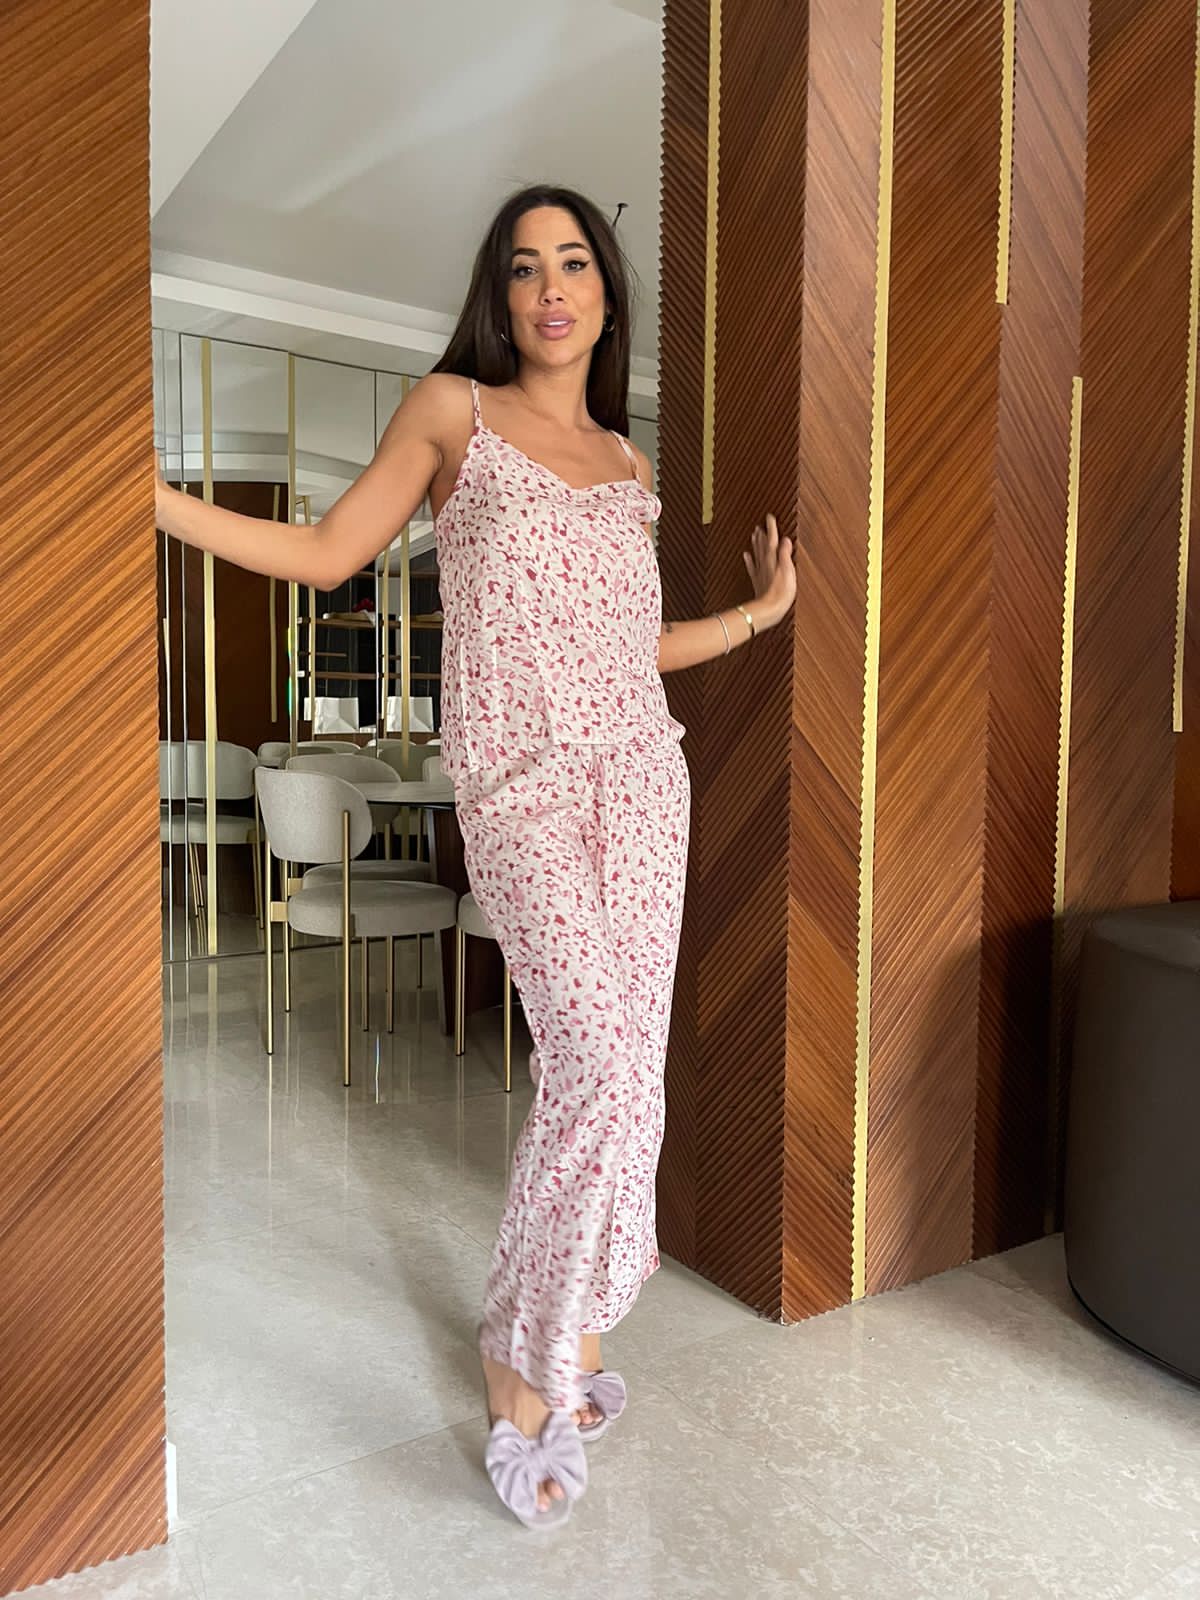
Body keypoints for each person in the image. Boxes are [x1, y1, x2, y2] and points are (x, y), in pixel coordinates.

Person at [155, 184, 796, 1530]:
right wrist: (155, 499)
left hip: (646, 781)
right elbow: (331, 551)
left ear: (607, 293)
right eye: (523, 268)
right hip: (521, 789)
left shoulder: (630, 468)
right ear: (499, 296)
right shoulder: (456, 412)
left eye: (574, 263)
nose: (550, 287)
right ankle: (524, 1356)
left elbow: (625, 650)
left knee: (636, 1077)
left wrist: (752, 618)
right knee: (597, 1074)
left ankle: (579, 1321)